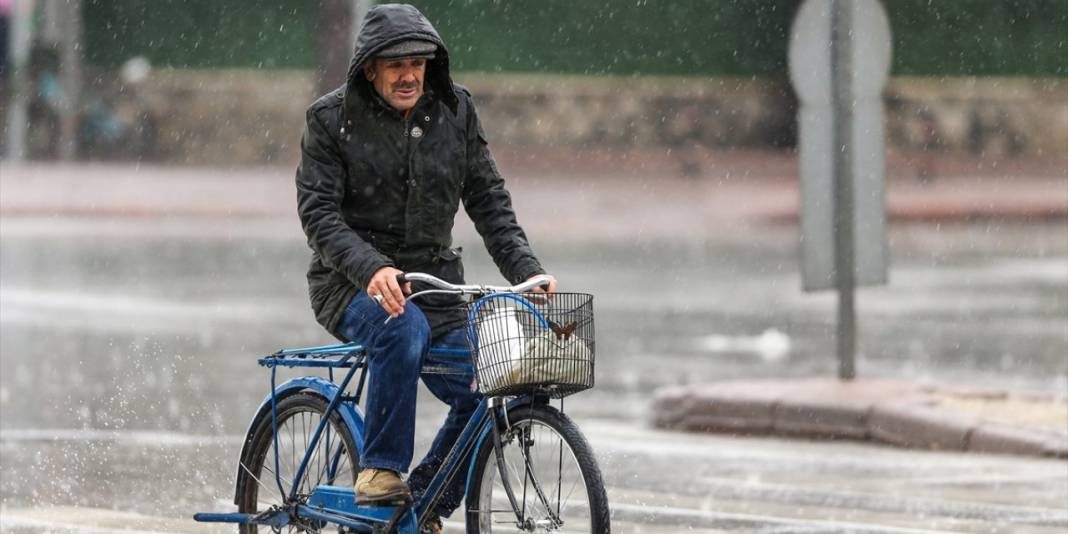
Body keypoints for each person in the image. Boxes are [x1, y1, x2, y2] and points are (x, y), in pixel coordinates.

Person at [295, 4, 556, 531]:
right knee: (400, 325)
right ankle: (380, 472)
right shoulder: (331, 119)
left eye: (417, 62)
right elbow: (318, 214)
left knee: (498, 388)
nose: (409, 74)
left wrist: (527, 272)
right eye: (395, 65)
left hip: (437, 288)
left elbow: (487, 199)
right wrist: (371, 268)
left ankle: (425, 503)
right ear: (369, 68)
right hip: (351, 285)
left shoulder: (455, 111)